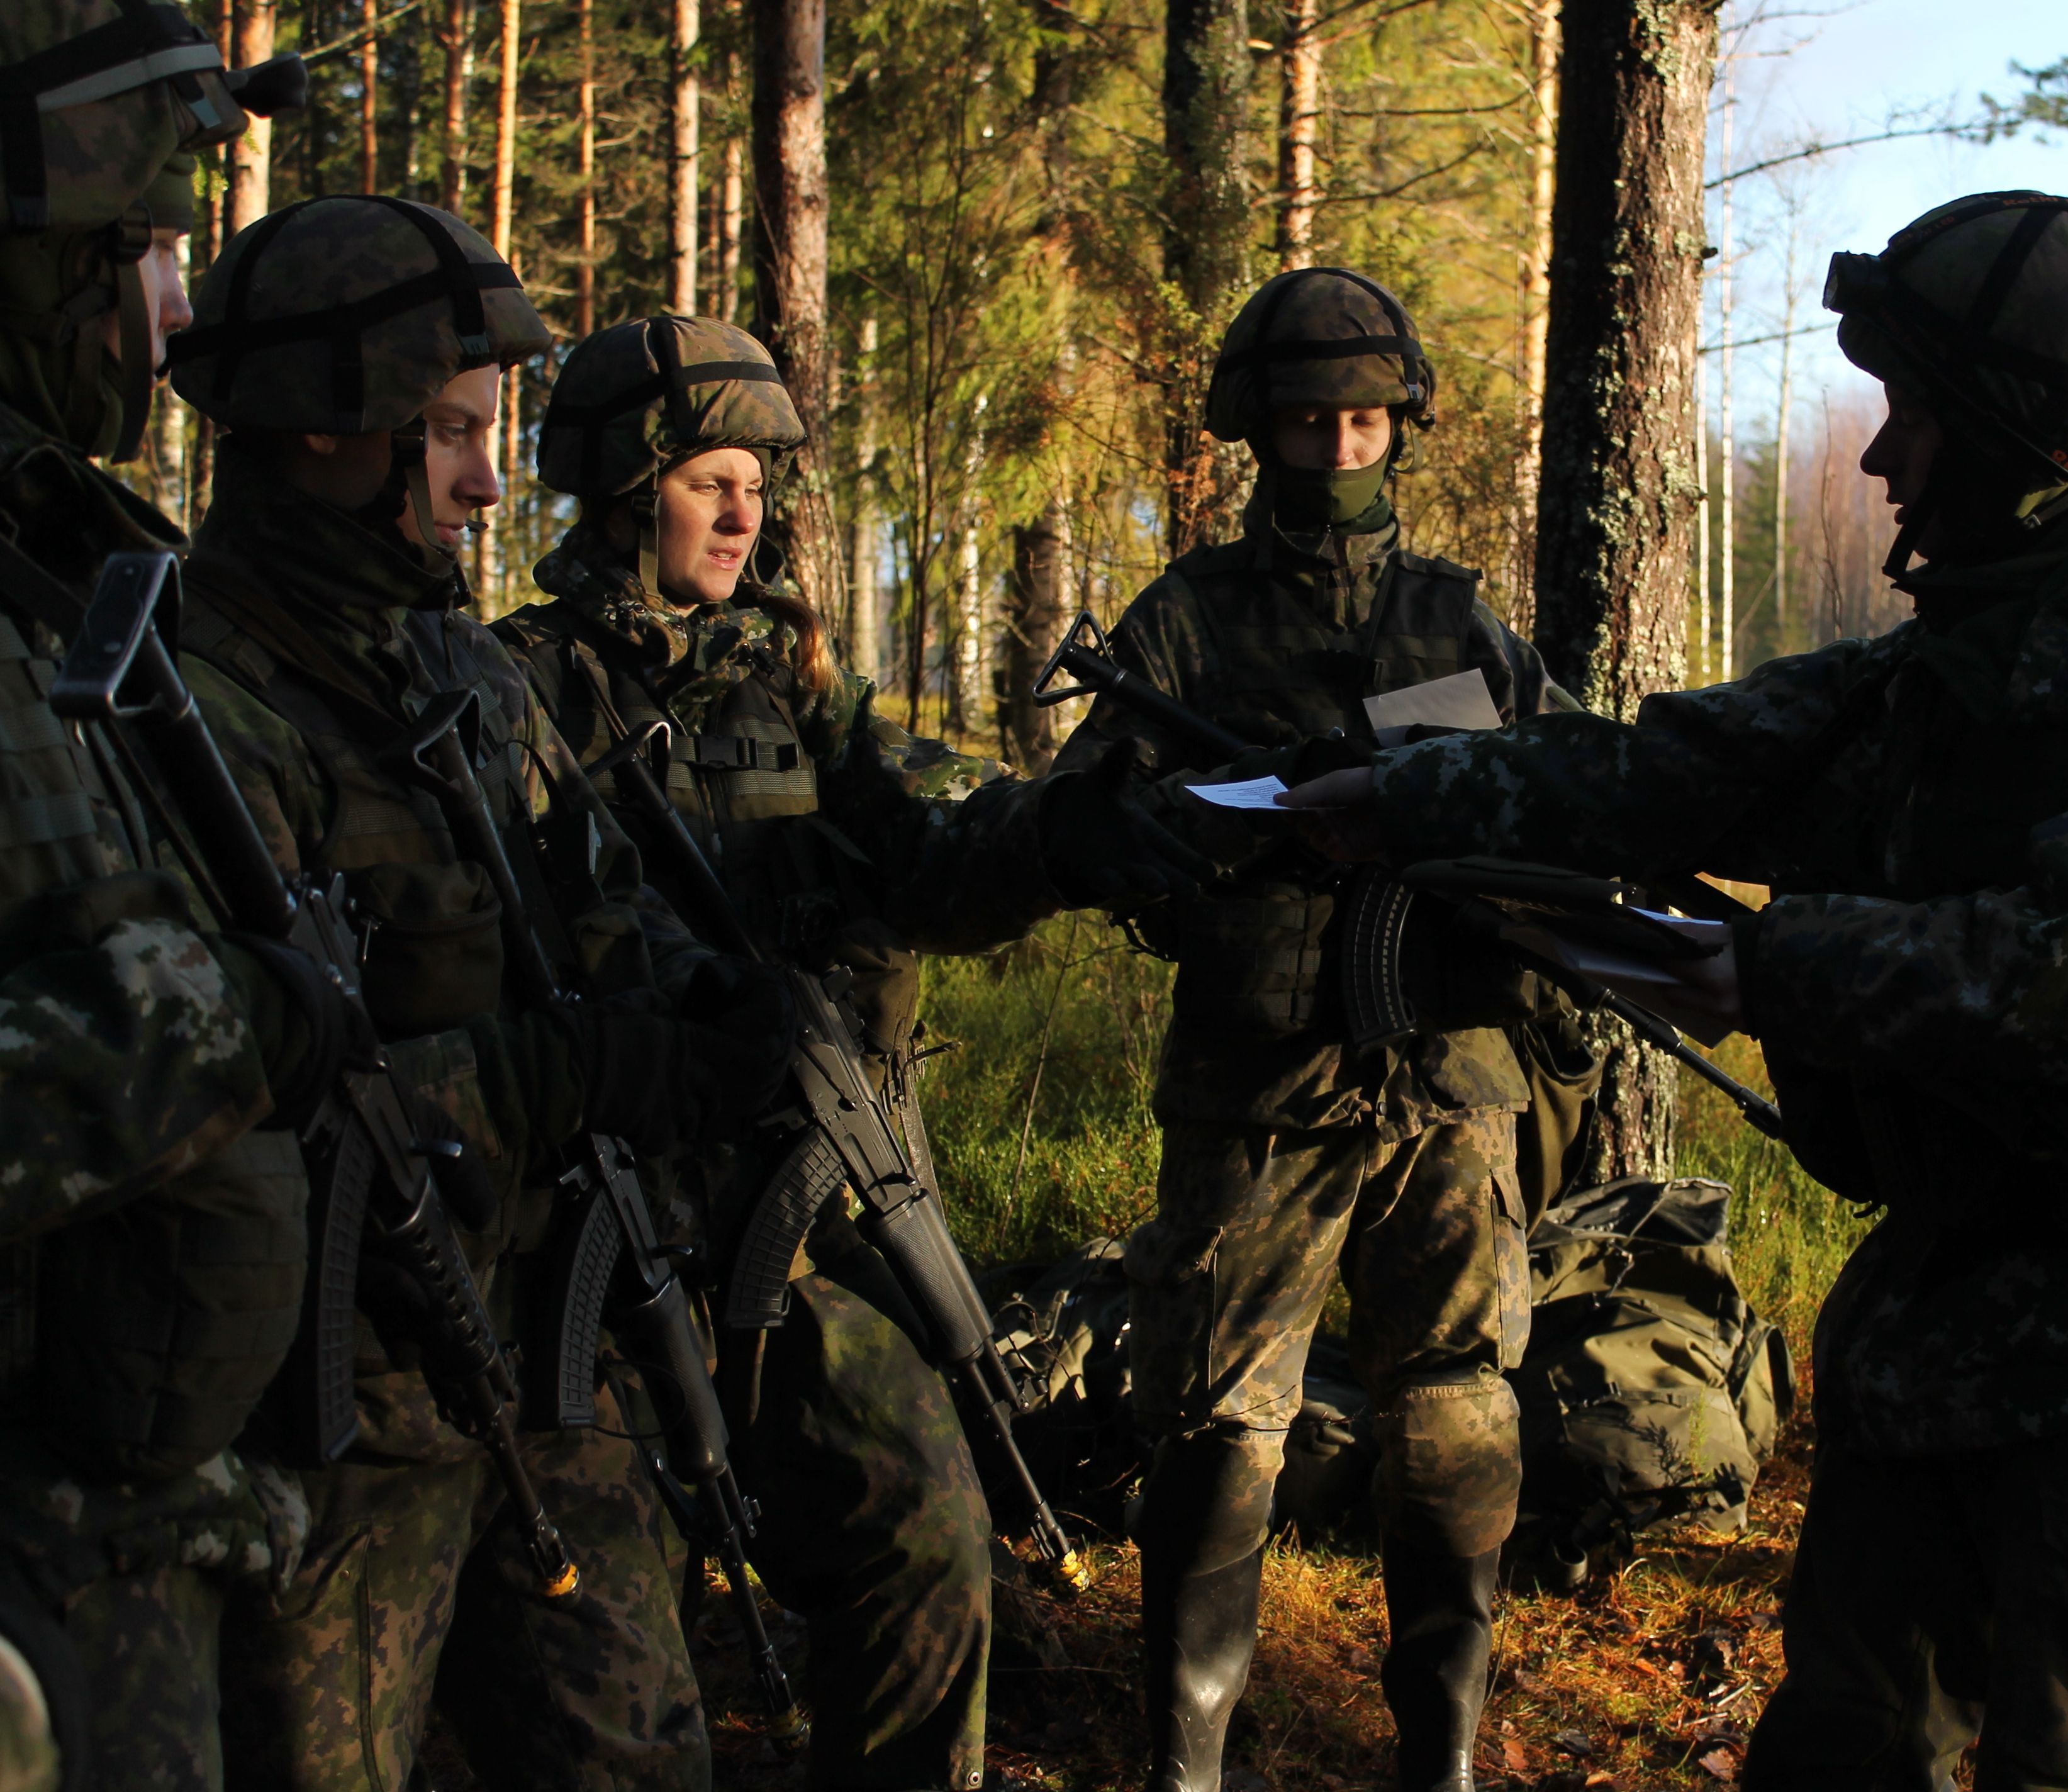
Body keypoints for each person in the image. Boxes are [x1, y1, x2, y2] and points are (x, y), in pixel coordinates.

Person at [1289, 193, 2068, 1791]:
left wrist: (1768, 965)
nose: (1881, 459)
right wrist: (1404, 797)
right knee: (1845, 1750)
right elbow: (1677, 768)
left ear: (2017, 436)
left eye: (1914, 413)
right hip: (1933, 1328)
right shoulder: (1954, 662)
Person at [495, 311, 1194, 1787]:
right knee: (625, 1681)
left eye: (758, 481)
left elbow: (929, 855)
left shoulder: (790, 690)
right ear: (628, 492)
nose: (747, 511)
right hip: (587, 1256)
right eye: (708, 480)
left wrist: (1076, 833)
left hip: (786, 1230)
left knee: (926, 1528)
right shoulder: (517, 692)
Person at [162, 196, 794, 1791]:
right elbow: (237, 1095)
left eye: (488, 432)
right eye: (447, 434)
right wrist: (557, 1069)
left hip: (543, 1345)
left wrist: (707, 1004)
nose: (490, 479)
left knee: (642, 1753)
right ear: (325, 431)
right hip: (335, 1407)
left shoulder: (463, 674)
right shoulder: (192, 708)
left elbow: (594, 912)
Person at [1051, 266, 1577, 1792]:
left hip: (1446, 1075)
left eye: (1363, 420)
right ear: (1256, 433)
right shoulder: (1189, 623)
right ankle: (1188, 1760)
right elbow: (1084, 820)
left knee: (1458, 1411)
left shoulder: (1456, 620)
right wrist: (1201, 834)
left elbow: (1556, 798)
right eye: (1306, 422)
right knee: (1218, 1424)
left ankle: (1445, 1753)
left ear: (1399, 424)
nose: (1339, 452)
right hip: (1256, 1082)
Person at [0, 7, 327, 1786]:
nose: (175, 310)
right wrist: (213, 1012)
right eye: (134, 252)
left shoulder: (73, 576)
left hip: (117, 1529)